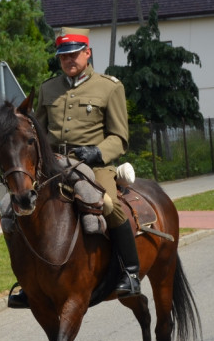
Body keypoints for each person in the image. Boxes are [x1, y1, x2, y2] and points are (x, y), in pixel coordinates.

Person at [10, 27, 139, 309]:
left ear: (87, 53)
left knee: (107, 204)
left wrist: (97, 152)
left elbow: (120, 138)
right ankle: (28, 281)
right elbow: (36, 131)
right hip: (54, 165)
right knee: (14, 208)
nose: (69, 60)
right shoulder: (47, 89)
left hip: (93, 164)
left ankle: (130, 272)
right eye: (63, 56)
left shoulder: (110, 87)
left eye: (74, 54)